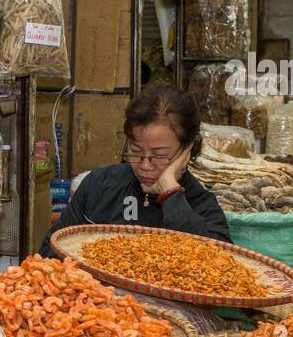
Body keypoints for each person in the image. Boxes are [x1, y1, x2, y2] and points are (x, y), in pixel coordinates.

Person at [40, 86, 230, 256]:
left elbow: (224, 269)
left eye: (160, 155)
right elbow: (49, 252)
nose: (145, 165)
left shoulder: (201, 204)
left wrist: (170, 192)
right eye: (136, 151)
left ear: (186, 151)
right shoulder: (99, 185)